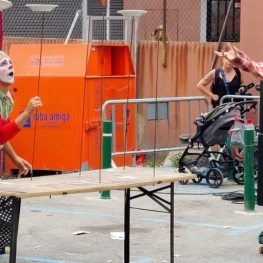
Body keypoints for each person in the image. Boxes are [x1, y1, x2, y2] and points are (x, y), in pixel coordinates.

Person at [0, 51, 42, 176]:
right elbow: (1, 135)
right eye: (3, 63)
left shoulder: (8, 98)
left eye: (10, 62)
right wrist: (27, 113)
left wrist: (14, 157)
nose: (10, 66)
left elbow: (2, 134)